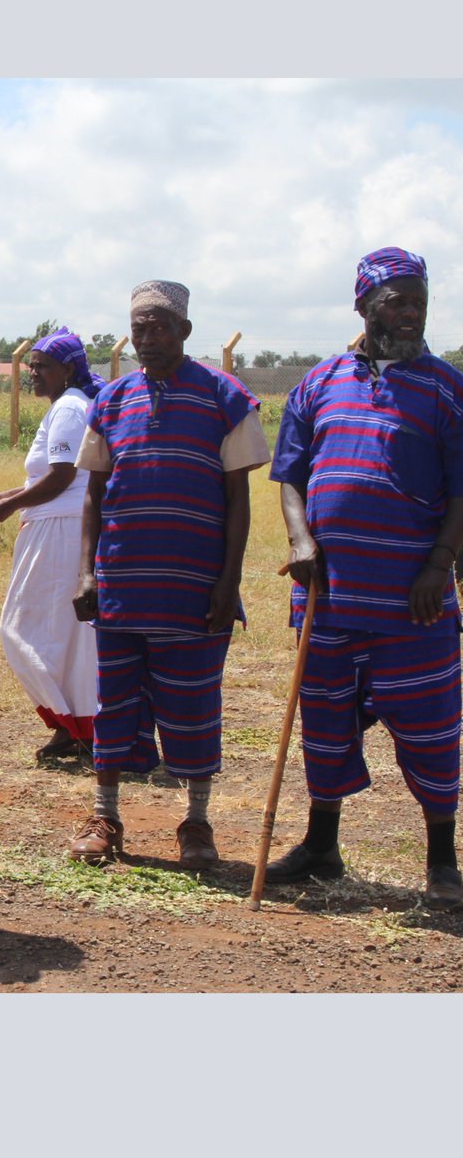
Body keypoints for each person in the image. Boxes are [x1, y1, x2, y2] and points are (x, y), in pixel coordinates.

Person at [267, 247, 463, 909]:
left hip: (415, 597)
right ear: (364, 306)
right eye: (397, 301)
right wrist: (300, 538)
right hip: (328, 591)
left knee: (431, 722)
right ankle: (322, 845)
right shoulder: (318, 383)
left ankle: (442, 860)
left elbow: (462, 492)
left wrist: (438, 566)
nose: (410, 314)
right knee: (323, 715)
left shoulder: (446, 388)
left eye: (419, 302)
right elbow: (291, 474)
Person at [70, 280, 270, 869]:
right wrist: (86, 573)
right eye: (139, 328)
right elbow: (93, 496)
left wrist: (228, 582)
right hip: (121, 584)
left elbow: (240, 500)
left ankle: (197, 824)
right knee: (113, 702)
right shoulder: (109, 400)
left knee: (194, 701)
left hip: (195, 587)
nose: (149, 337)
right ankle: (105, 816)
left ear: (185, 330)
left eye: (160, 326)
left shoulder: (225, 396)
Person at [0, 327, 104, 763]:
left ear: (67, 369)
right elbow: (50, 476)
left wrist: (11, 506)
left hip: (61, 531)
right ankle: (71, 723)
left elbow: (62, 477)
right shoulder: (66, 407)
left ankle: (78, 722)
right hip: (57, 526)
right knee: (62, 635)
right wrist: (12, 495)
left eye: (42, 366)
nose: (33, 372)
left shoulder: (71, 407)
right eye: (31, 364)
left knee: (24, 629)